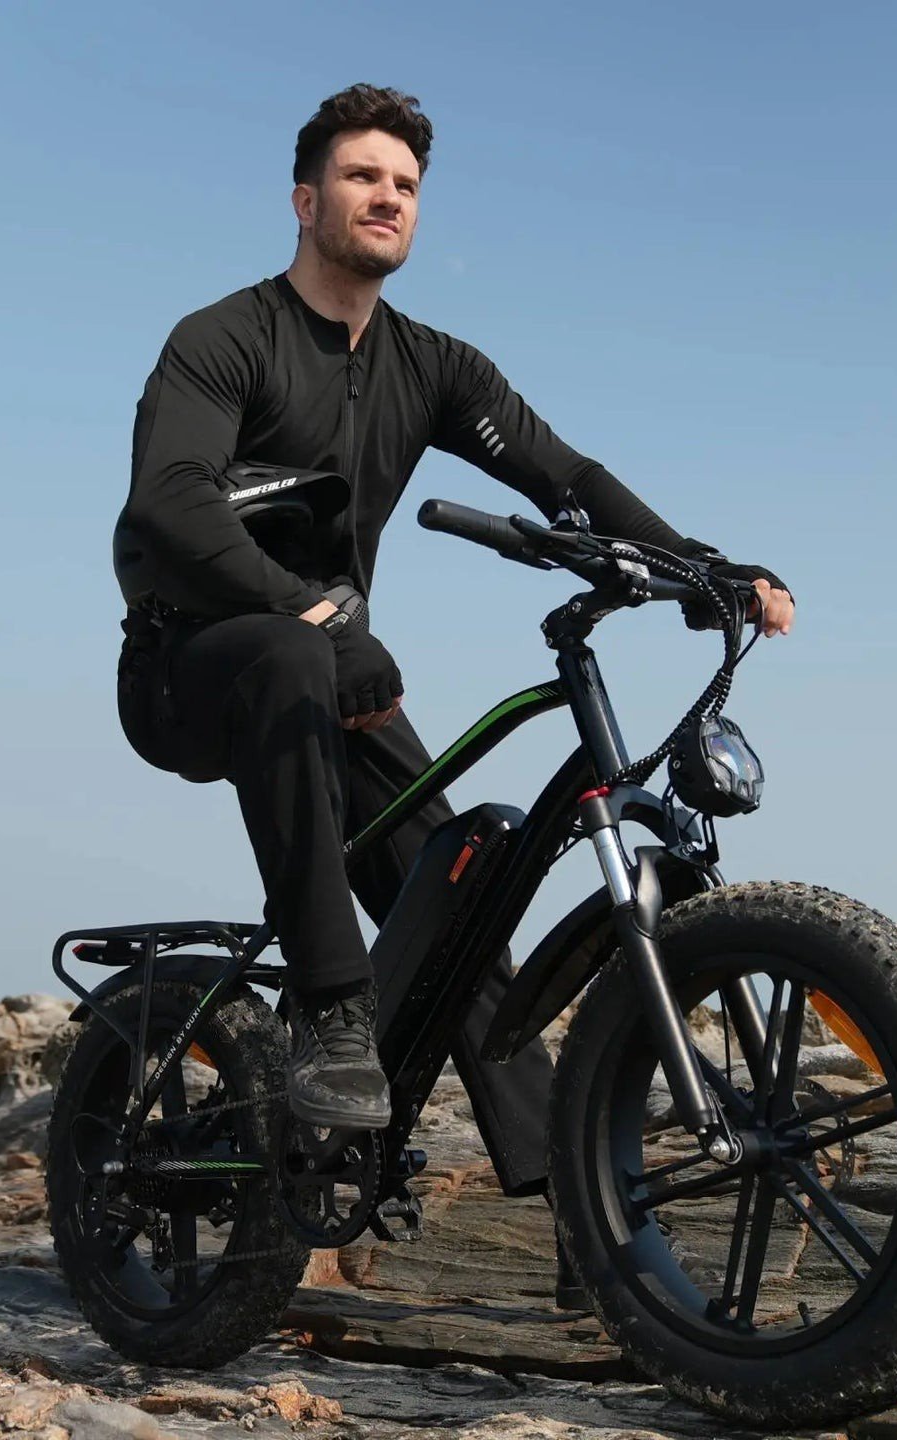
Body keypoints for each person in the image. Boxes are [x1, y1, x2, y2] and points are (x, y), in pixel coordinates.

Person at [113, 86, 794, 1225]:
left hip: (330, 673)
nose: (387, 197)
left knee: (458, 886)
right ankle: (334, 1019)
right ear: (304, 198)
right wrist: (312, 615)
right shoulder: (223, 340)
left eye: (407, 186)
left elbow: (565, 479)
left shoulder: (433, 366)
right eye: (362, 175)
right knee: (293, 660)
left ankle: (581, 1199)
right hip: (195, 668)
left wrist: (702, 569)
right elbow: (171, 506)